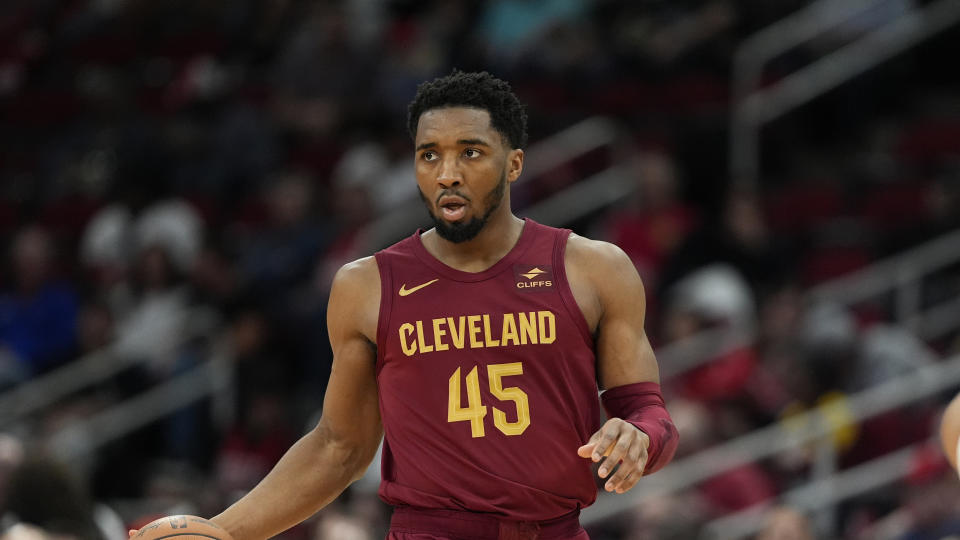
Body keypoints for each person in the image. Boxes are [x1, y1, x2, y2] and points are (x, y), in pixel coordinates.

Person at [139, 70, 679, 540]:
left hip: (555, 532)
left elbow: (648, 412)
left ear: (514, 164)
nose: (447, 173)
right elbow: (340, 447)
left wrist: (639, 438)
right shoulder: (368, 285)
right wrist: (226, 533)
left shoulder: (594, 268)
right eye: (429, 155)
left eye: (470, 151)